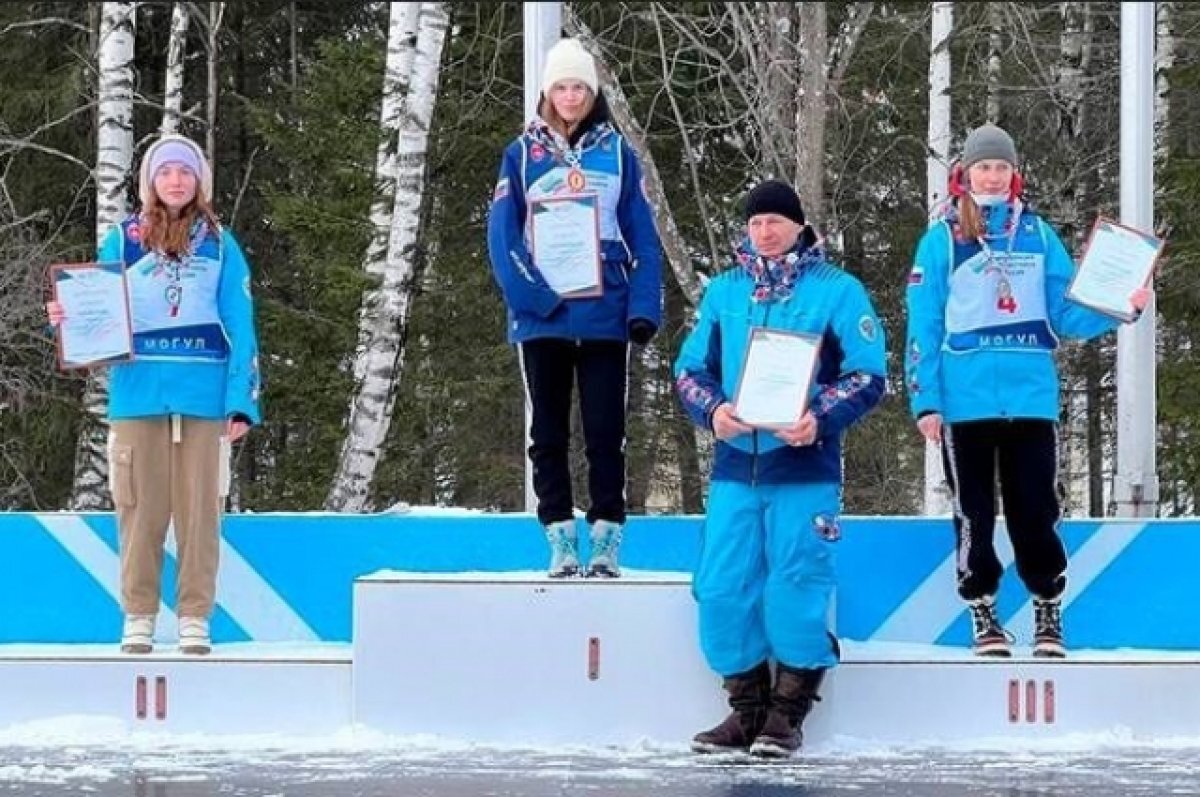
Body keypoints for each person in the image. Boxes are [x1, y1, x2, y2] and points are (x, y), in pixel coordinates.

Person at [903, 124, 1151, 659]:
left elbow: (1065, 313)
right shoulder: (942, 237)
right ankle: (982, 606)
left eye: (1000, 167)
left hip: (1031, 396)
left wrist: (1123, 306)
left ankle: (1046, 603)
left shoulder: (1037, 235)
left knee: (1035, 507)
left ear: (1014, 174)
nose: (991, 175)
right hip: (964, 401)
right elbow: (922, 324)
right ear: (965, 175)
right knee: (974, 511)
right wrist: (925, 399)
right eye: (982, 167)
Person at [674, 180, 886, 757]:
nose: (764, 232)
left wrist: (819, 417)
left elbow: (868, 374)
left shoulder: (837, 291)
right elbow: (689, 369)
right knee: (719, 587)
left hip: (804, 467)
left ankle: (786, 717)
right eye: (755, 223)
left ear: (799, 225)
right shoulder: (723, 292)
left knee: (796, 585)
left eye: (775, 221)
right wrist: (712, 410)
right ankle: (745, 711)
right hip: (735, 468)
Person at [47, 133, 262, 655]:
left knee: (199, 513)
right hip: (138, 395)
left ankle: (194, 616)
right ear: (150, 182)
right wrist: (66, 321)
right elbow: (97, 308)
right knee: (139, 511)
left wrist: (242, 400)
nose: (175, 180)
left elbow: (241, 321)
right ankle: (138, 615)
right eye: (165, 172)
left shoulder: (220, 241)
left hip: (204, 397)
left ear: (198, 182)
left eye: (184, 172)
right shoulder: (123, 239)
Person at [486, 37, 663, 579]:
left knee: (607, 430)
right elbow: (501, 236)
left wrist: (642, 308)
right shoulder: (520, 155)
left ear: (593, 93)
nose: (570, 96)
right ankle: (560, 536)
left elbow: (643, 235)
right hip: (544, 314)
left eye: (579, 87)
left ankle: (607, 536)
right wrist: (533, 297)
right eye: (561, 86)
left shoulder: (618, 153)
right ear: (547, 91)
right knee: (548, 434)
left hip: (604, 311)